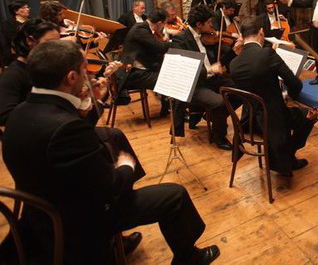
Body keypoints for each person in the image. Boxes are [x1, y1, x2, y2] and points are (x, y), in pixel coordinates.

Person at [0, 41, 219, 265]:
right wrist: (125, 166)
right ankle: (190, 258)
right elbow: (107, 188)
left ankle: (120, 241)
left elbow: (72, 138)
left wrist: (99, 100)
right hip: (78, 220)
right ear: (71, 78)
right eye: (84, 70)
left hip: (41, 207)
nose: (89, 75)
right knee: (174, 195)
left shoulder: (19, 112)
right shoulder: (65, 129)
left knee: (112, 140)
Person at [0, 19, 146, 254]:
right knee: (113, 154)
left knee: (113, 135)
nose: (60, 46)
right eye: (53, 42)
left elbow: (74, 124)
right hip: (45, 154)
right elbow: (66, 127)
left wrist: (92, 100)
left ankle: (122, 201)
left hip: (47, 137)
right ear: (31, 42)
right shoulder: (17, 79)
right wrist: (124, 168)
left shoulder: (36, 101)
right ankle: (118, 202)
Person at [229, 17, 316, 176]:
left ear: (242, 36)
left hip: (248, 122)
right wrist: (289, 97)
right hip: (272, 121)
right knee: (309, 116)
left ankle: (284, 155)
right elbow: (295, 84)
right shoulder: (267, 54)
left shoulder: (233, 63)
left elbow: (254, 83)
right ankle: (287, 155)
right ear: (261, 33)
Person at [170, 4, 238, 149]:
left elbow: (220, 57)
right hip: (195, 84)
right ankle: (219, 136)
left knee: (239, 91)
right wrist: (210, 69)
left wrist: (234, 51)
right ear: (199, 24)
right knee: (220, 102)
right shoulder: (180, 40)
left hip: (211, 79)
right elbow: (185, 70)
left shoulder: (206, 36)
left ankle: (214, 116)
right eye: (208, 23)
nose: (212, 25)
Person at [1, 0, 29, 65]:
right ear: (16, 11)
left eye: (27, 7)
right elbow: (12, 39)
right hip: (17, 50)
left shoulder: (32, 21)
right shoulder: (8, 24)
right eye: (23, 8)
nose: (27, 9)